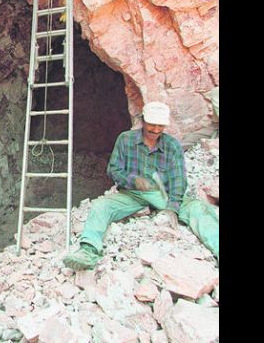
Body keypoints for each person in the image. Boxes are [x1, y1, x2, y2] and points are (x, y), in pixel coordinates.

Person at [62, 101, 219, 271]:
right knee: (101, 206)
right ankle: (89, 250)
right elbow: (113, 170)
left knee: (198, 208)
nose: (156, 130)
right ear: (143, 120)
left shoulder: (172, 145)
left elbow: (178, 180)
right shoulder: (125, 139)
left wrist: (172, 208)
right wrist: (133, 180)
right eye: (152, 124)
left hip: (161, 195)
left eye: (161, 126)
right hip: (131, 194)